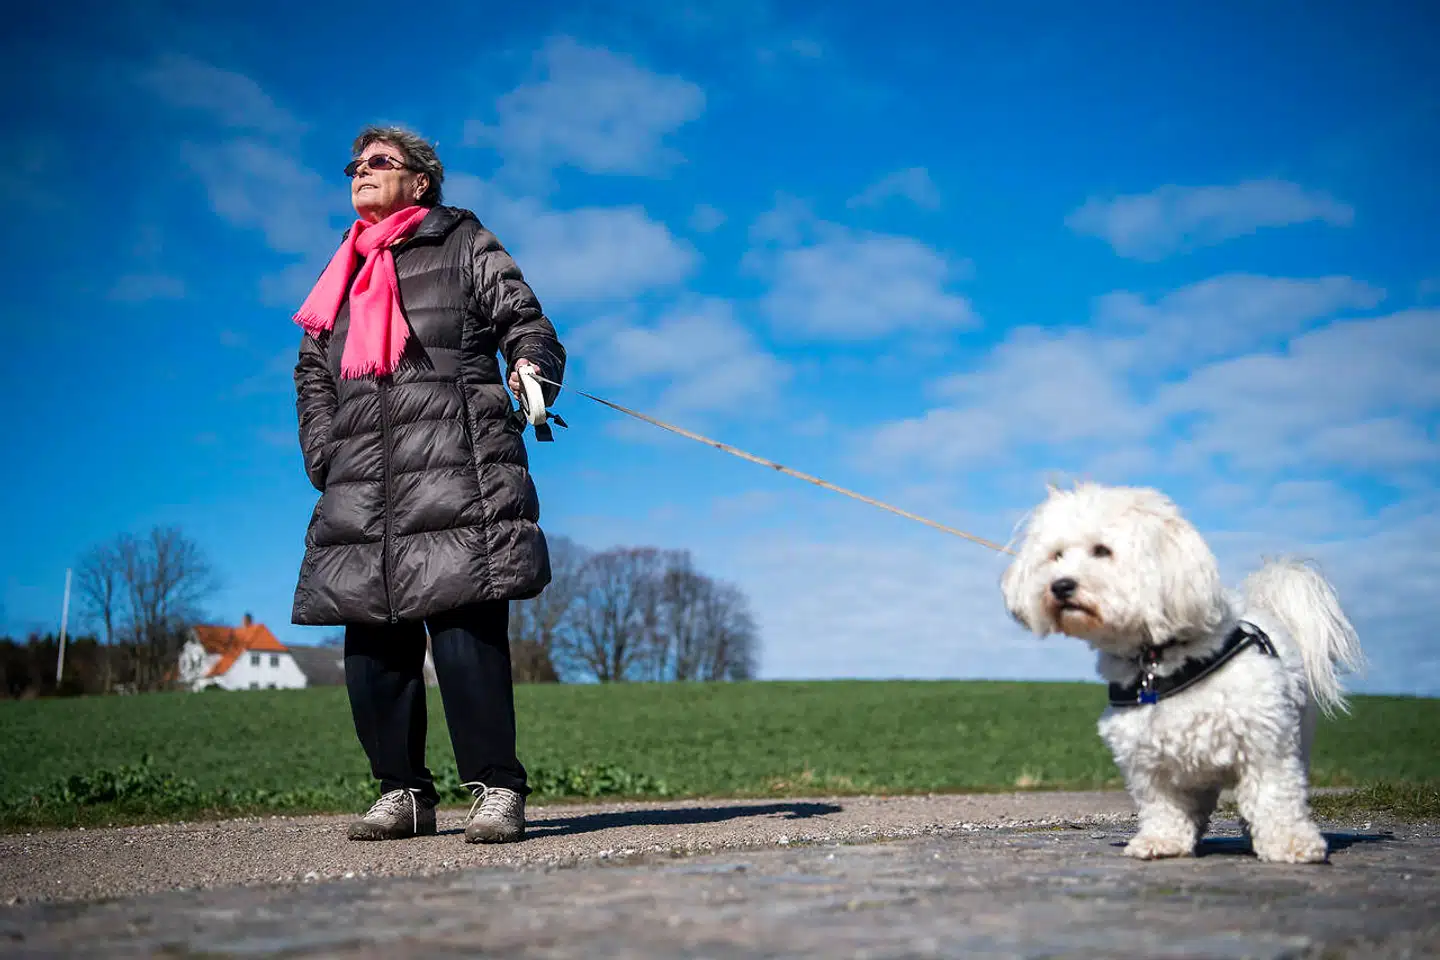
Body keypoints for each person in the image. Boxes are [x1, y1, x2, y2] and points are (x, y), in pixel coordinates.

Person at [290, 125, 566, 843]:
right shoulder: (342, 272)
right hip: (362, 480)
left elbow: (524, 320)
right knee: (371, 642)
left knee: (464, 630)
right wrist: (325, 452)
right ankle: (403, 793)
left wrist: (532, 368)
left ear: (420, 181)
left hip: (455, 463)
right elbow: (313, 372)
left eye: (379, 162)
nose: (361, 171)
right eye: (354, 165)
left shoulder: (463, 242)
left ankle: (497, 789)